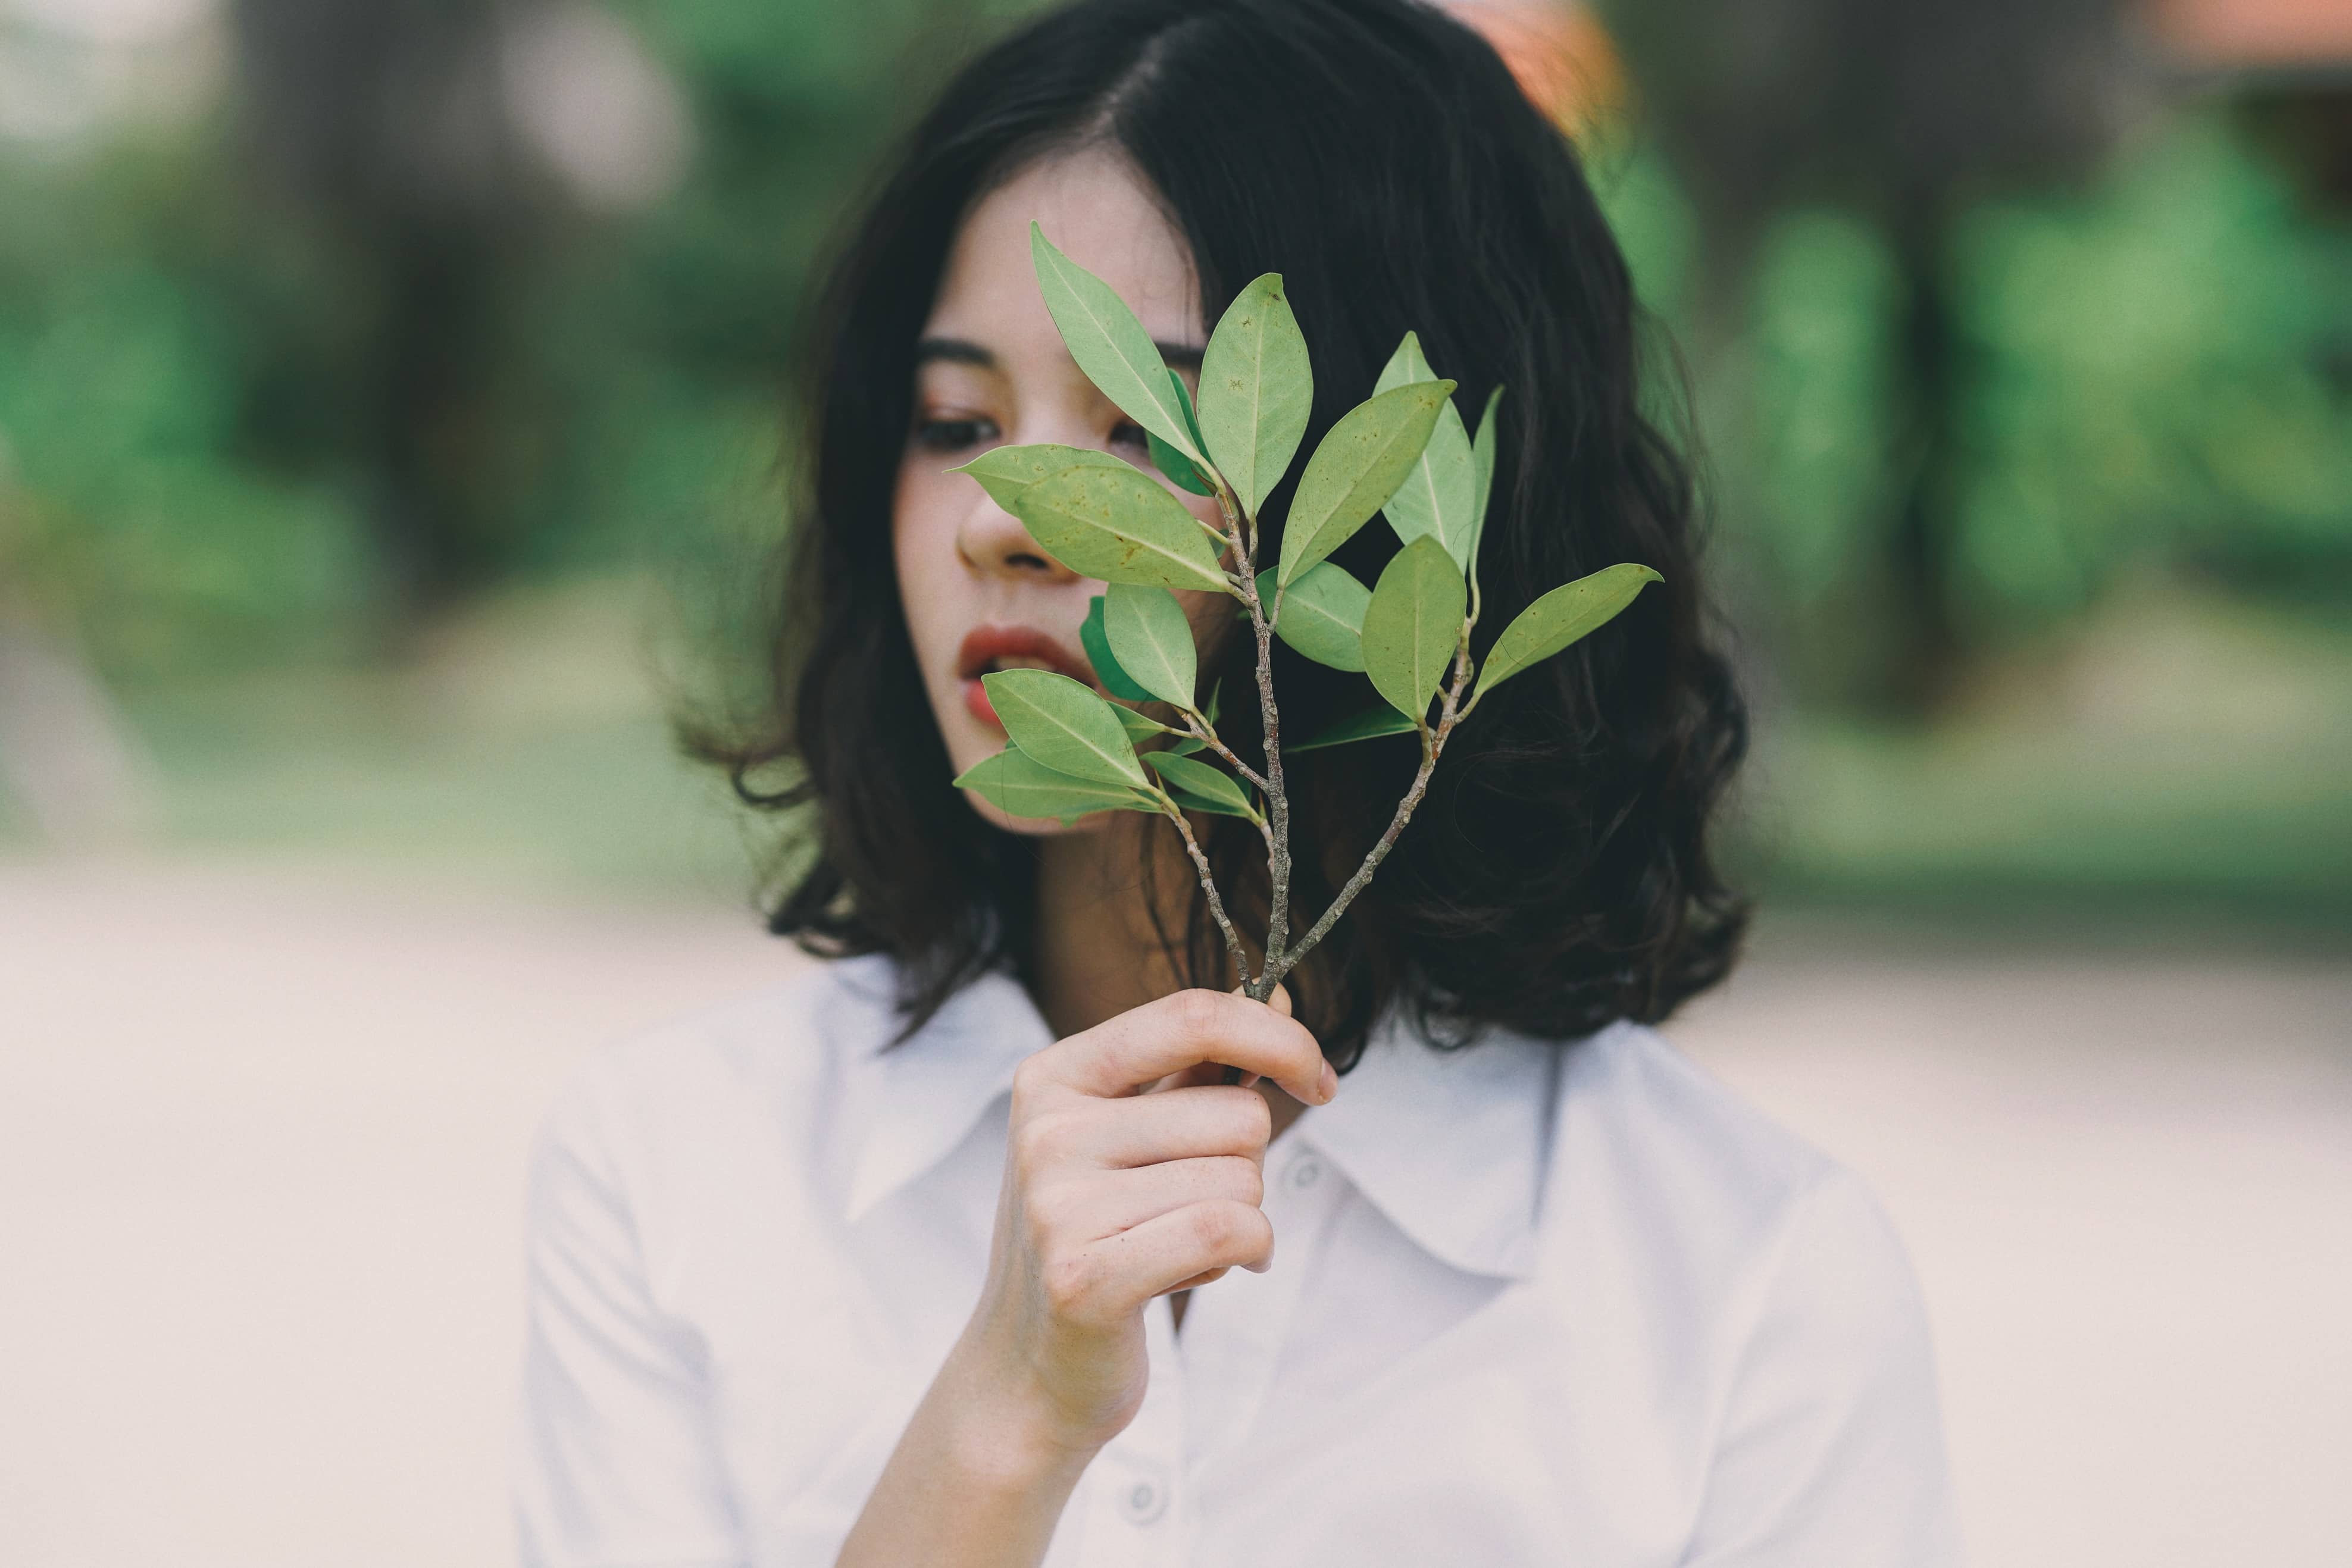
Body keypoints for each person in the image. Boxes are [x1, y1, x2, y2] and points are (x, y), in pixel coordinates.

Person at [512, 1, 1960, 1563]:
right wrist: (1001, 1431)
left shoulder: (1745, 1278)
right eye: (956, 421)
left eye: (1147, 424)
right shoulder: (679, 1173)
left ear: (1415, 515)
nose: (1009, 511)